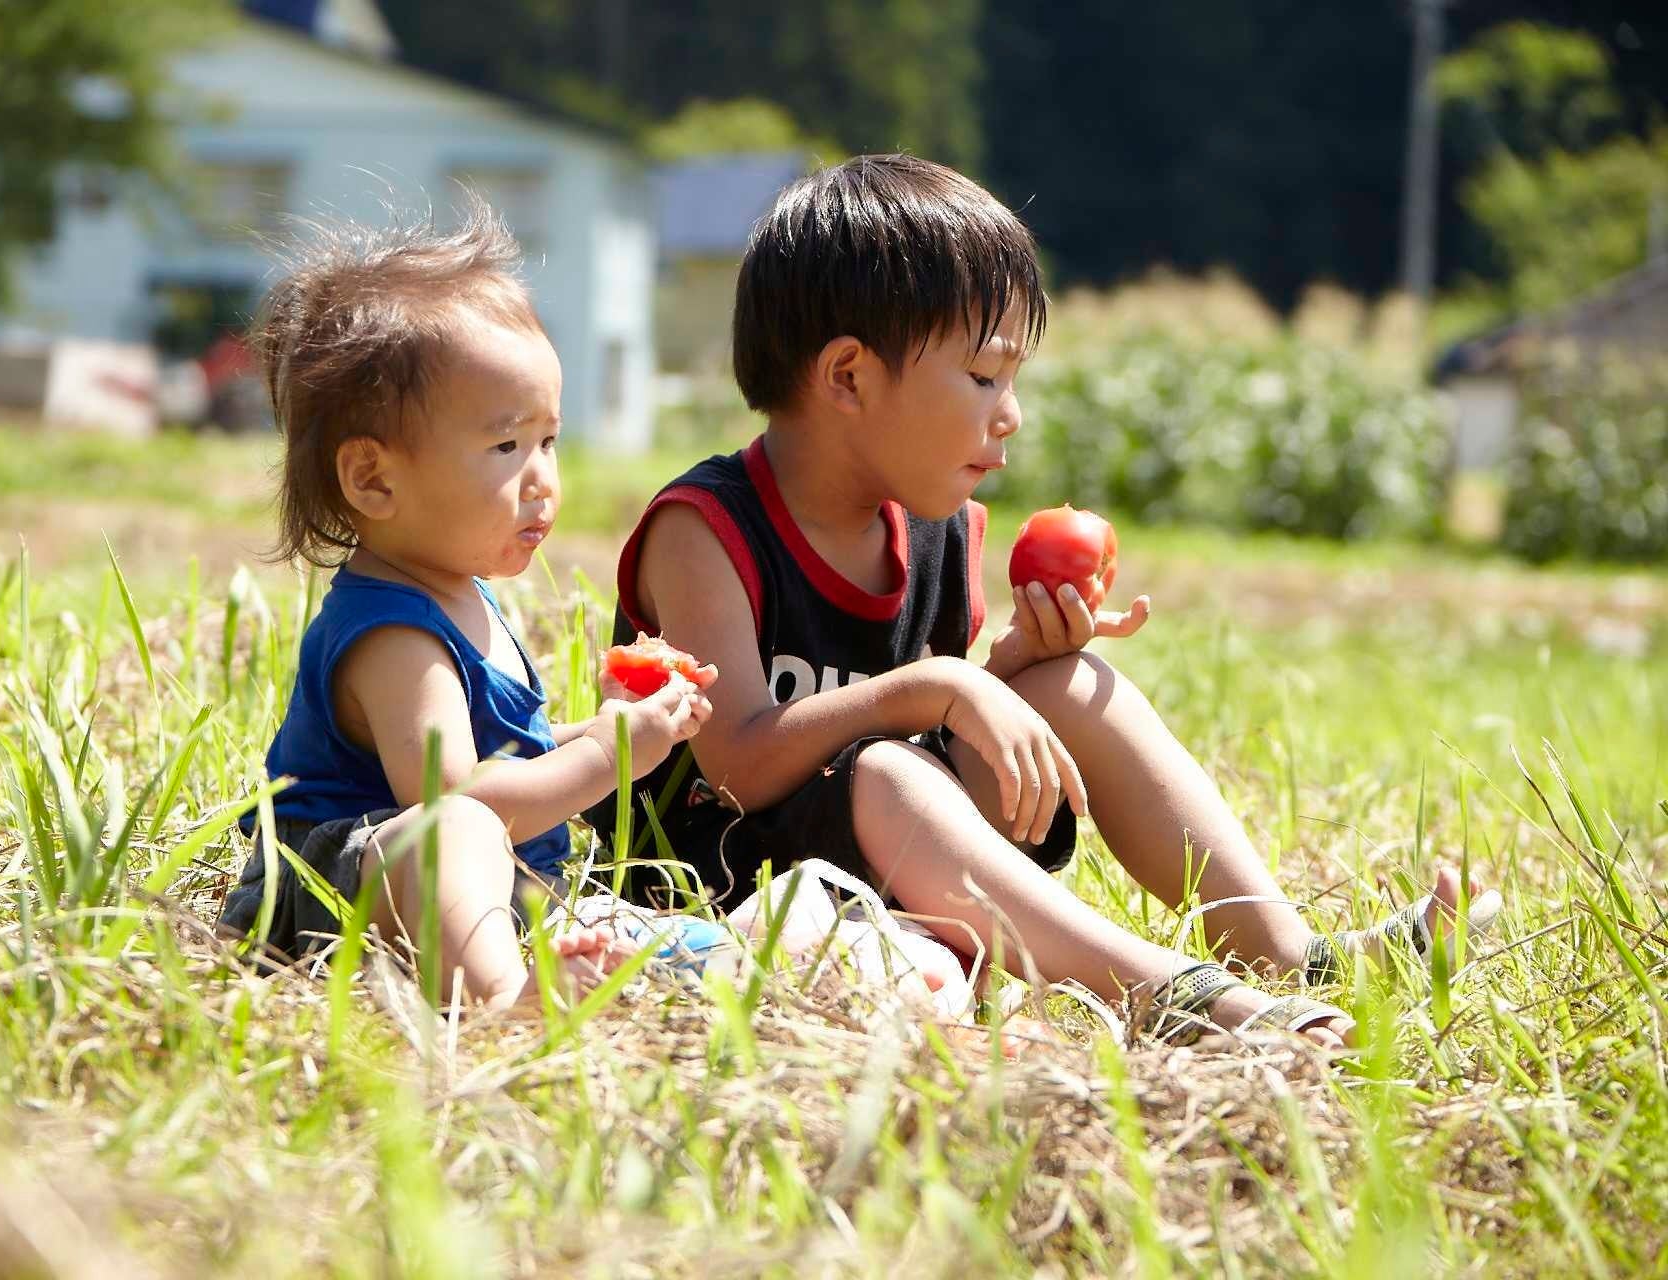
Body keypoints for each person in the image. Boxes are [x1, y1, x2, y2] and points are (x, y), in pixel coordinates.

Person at [587, 155, 1498, 1048]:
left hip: (894, 862)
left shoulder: (942, 532)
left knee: (1071, 684)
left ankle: (1292, 958)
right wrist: (936, 686)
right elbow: (740, 763)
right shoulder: (707, 532)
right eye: (984, 376)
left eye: (1013, 380)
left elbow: (929, 731)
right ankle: (1171, 995)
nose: (1010, 411)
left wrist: (1013, 671)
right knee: (891, 772)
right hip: (715, 892)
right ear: (849, 377)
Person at [218, 204, 714, 1009]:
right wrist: (611, 755)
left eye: (548, 441)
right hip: (325, 897)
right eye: (504, 447)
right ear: (374, 480)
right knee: (462, 831)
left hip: (477, 889)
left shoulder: (461, 593)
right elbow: (456, 801)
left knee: (676, 942)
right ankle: (502, 1005)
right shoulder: (394, 637)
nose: (542, 477)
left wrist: (596, 726)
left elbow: (503, 757)